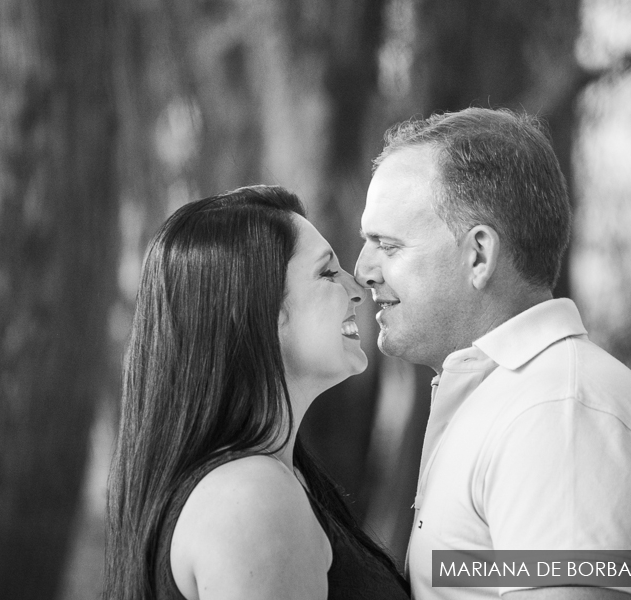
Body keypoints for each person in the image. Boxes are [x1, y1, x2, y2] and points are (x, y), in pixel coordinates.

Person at [353, 108, 631, 600]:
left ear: (479, 255)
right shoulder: (518, 399)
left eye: (388, 246)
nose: (362, 270)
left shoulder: (556, 412)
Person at [104, 185, 409, 600]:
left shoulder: (265, 481)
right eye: (326, 272)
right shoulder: (252, 498)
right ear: (257, 311)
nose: (358, 288)